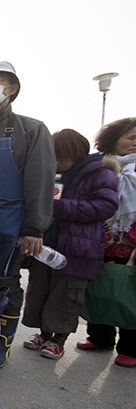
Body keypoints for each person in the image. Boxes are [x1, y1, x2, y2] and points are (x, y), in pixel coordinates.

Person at [0, 61, 57, 370]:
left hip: (10, 226)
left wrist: (35, 227)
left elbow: (41, 181)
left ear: (12, 89)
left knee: (4, 284)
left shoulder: (31, 130)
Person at [21, 129, 118, 359]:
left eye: (64, 156)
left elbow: (106, 206)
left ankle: (59, 340)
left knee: (67, 296)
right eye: (55, 156)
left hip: (78, 248)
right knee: (40, 291)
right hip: (46, 247)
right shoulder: (49, 171)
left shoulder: (100, 172)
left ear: (79, 152)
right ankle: (44, 335)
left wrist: (60, 207)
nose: (59, 161)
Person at [77, 117, 136, 367]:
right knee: (99, 289)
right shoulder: (98, 167)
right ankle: (100, 338)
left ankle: (131, 347)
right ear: (114, 139)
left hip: (130, 242)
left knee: (129, 294)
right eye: (131, 138)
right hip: (100, 238)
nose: (135, 143)